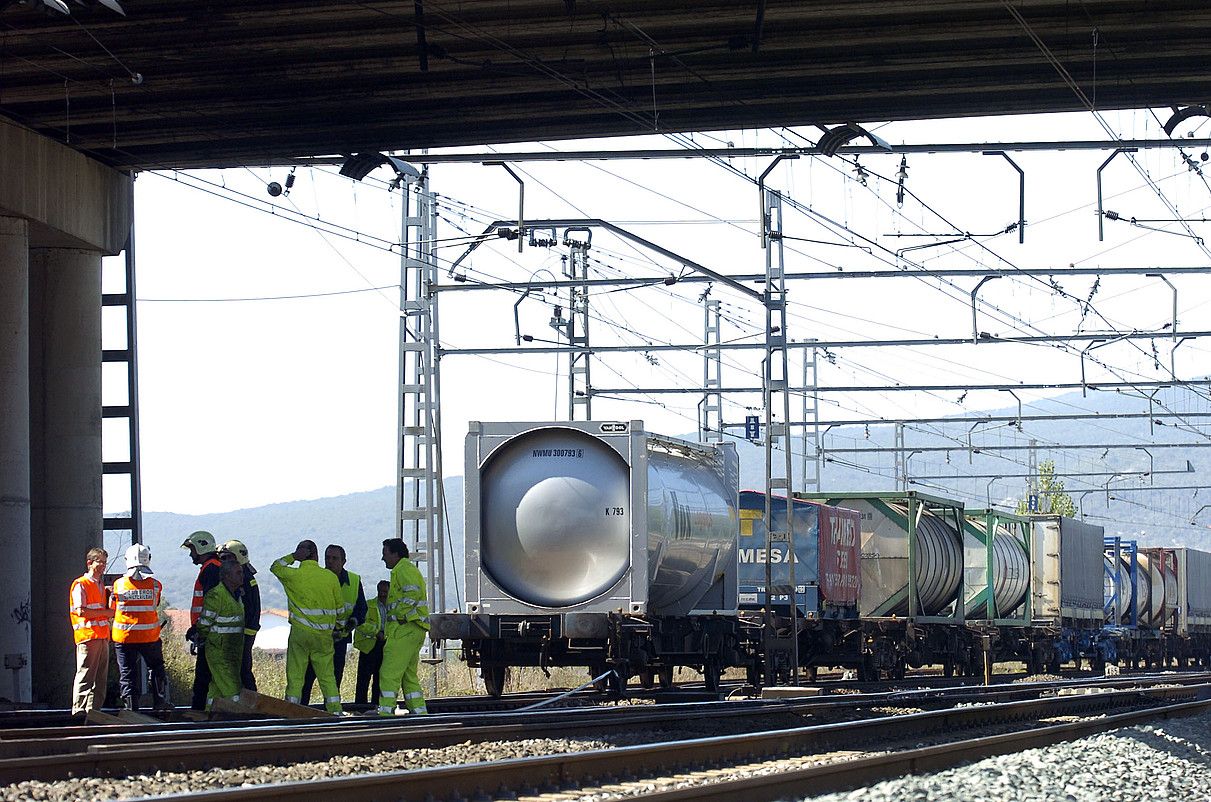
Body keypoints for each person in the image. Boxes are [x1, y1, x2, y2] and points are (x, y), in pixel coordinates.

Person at [270, 540, 344, 713]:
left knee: (295, 676)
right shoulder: (330, 577)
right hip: (324, 636)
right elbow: (340, 609)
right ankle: (335, 710)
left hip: (300, 634)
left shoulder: (293, 575)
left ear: (301, 555)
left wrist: (293, 557)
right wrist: (338, 627)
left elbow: (275, 567)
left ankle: (291, 712)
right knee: (327, 677)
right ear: (317, 556)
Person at [301, 544, 366, 704]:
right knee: (306, 679)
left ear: (344, 561)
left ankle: (331, 714)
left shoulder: (354, 580)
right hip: (315, 639)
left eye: (334, 558)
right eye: (327, 558)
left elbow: (361, 609)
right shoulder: (316, 577)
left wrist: (348, 627)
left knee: (334, 680)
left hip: (339, 640)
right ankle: (300, 712)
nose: (330, 562)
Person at [110, 543, 170, 711]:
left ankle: (131, 708)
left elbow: (113, 607)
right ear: (148, 560)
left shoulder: (118, 585)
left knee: (127, 673)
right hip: (149, 636)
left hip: (124, 637)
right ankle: (159, 702)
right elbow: (155, 603)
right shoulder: (156, 585)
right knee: (157, 668)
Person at [378, 538, 430, 716]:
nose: (382, 558)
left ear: (395, 554)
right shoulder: (406, 569)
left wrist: (400, 614)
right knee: (408, 676)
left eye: (385, 553)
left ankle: (385, 712)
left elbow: (412, 592)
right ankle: (419, 712)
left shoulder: (403, 569)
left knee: (388, 673)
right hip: (413, 629)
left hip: (404, 630)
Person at [194, 559, 246, 710]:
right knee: (232, 688)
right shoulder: (216, 595)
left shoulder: (237, 595)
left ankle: (209, 714)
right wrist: (201, 636)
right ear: (227, 576)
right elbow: (204, 624)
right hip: (219, 650)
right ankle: (237, 718)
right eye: (238, 573)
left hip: (233, 650)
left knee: (216, 687)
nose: (242, 576)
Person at [182, 530, 223, 710]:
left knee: (204, 678)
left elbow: (210, 604)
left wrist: (199, 629)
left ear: (201, 547)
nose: (191, 554)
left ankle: (199, 713)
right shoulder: (213, 567)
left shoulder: (211, 569)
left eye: (193, 549)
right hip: (212, 631)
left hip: (210, 633)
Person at [69, 547, 113, 715]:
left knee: (100, 679)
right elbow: (81, 611)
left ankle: (94, 712)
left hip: (102, 637)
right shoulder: (81, 584)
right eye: (99, 562)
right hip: (88, 637)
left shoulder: (101, 586)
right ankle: (79, 710)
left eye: (104, 562)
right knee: (86, 675)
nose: (103, 566)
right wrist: (107, 613)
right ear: (89, 563)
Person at [219, 539, 260, 692]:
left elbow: (248, 607)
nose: (223, 561)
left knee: (243, 669)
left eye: (226, 557)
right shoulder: (247, 575)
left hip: (244, 630)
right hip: (247, 629)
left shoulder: (242, 578)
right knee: (242, 668)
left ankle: (252, 702)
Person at [354, 580, 390, 705]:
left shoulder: (393, 608)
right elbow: (361, 623)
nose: (383, 594)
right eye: (381, 591)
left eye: (385, 592)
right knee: (363, 679)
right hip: (369, 646)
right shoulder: (369, 606)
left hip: (385, 646)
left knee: (380, 678)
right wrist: (376, 632)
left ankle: (376, 704)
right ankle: (360, 706)